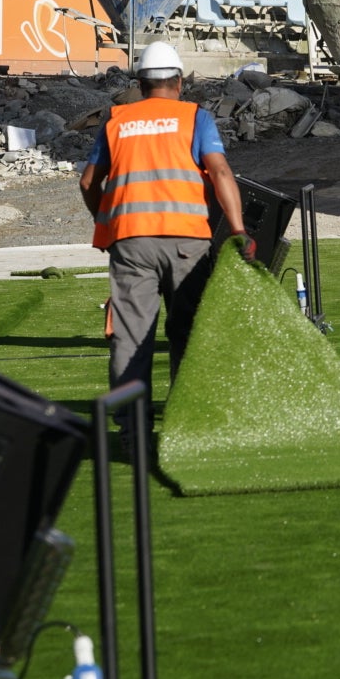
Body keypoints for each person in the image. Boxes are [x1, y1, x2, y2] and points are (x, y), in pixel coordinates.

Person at [78, 41, 254, 436]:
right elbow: (222, 174)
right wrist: (239, 230)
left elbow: (89, 181)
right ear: (178, 83)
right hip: (187, 242)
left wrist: (106, 221)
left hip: (130, 242)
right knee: (189, 329)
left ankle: (130, 427)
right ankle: (189, 419)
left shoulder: (116, 121)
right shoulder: (196, 118)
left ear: (140, 85)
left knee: (130, 334)